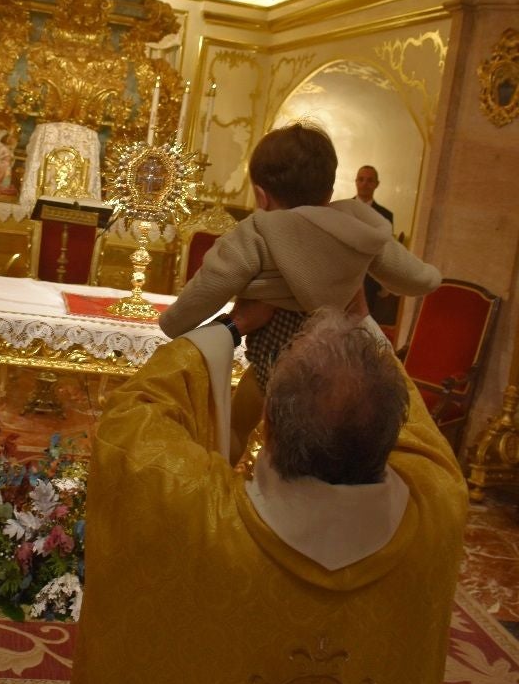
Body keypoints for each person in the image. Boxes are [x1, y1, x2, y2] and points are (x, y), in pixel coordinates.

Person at [54, 308, 469, 684]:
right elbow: (418, 431)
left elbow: (133, 420)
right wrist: (361, 318)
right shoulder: (439, 505)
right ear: (389, 435)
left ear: (268, 422)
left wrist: (230, 328)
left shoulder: (188, 508)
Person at [159, 124, 440, 461]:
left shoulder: (259, 231)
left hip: (274, 366)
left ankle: (228, 487)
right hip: (335, 364)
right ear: (330, 189)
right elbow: (416, 278)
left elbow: (209, 288)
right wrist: (432, 277)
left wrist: (172, 323)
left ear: (262, 196)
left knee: (233, 428)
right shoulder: (359, 227)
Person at [355, 165, 398, 324]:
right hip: (341, 275)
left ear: (376, 184)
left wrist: (384, 282)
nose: (364, 183)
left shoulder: (386, 216)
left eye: (369, 180)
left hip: (370, 278)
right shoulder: (341, 208)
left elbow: (385, 250)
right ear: (356, 181)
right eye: (361, 179)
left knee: (365, 324)